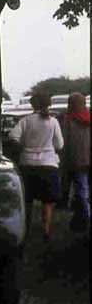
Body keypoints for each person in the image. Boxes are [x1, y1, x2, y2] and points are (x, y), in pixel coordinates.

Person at [8, 92, 64, 242]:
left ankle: (26, 229)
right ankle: (46, 230)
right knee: (47, 201)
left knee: (28, 200)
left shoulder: (25, 121)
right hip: (48, 164)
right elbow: (59, 145)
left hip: (27, 164)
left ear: (32, 105)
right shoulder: (53, 122)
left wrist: (23, 146)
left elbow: (13, 136)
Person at [60, 92, 90, 232]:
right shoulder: (89, 117)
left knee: (79, 191)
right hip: (87, 160)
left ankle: (84, 218)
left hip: (73, 160)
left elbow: (63, 143)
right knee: (83, 189)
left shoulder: (67, 119)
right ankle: (81, 217)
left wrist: (62, 161)